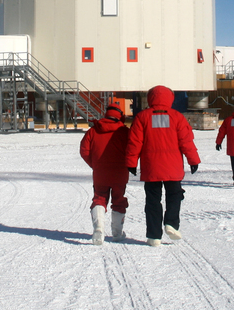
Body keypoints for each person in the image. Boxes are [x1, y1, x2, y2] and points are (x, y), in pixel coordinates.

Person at [125, 86, 201, 247]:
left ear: (151, 98)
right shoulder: (177, 117)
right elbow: (186, 142)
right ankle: (171, 224)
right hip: (172, 167)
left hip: (151, 166)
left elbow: (134, 142)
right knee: (174, 195)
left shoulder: (142, 117)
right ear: (170, 98)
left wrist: (131, 163)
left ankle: (154, 236)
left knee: (153, 201)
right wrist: (193, 160)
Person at [79, 105, 130, 244]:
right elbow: (133, 149)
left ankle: (99, 228)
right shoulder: (124, 132)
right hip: (120, 173)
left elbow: (84, 150)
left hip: (100, 172)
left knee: (99, 198)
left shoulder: (93, 131)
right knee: (119, 200)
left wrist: (95, 164)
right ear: (120, 116)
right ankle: (117, 233)